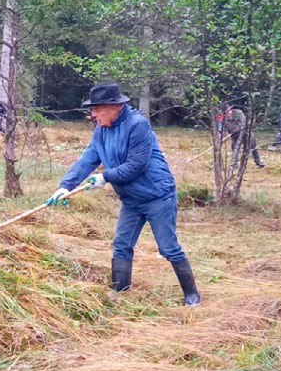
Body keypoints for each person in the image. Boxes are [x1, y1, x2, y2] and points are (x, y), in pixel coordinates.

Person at [45, 82, 200, 306]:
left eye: (97, 109)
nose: (93, 114)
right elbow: (88, 158)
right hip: (131, 199)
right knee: (121, 245)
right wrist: (65, 186)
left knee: (168, 248)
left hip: (157, 196)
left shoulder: (138, 125)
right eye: (93, 109)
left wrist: (105, 177)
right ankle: (120, 292)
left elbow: (136, 164)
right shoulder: (101, 130)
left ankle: (192, 295)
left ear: (114, 107)